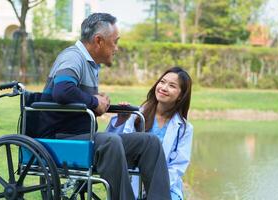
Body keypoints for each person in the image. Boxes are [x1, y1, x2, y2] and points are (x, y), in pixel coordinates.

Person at [39, 13, 171, 200]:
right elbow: (62, 90)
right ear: (98, 40)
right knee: (111, 142)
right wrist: (94, 101)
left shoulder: (90, 64)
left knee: (150, 143)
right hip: (60, 139)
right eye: (115, 42)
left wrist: (98, 101)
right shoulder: (73, 57)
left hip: (82, 138)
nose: (116, 48)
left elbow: (74, 96)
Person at [107, 67, 193, 200]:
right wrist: (120, 120)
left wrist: (156, 186)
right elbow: (117, 147)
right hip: (134, 185)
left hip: (167, 187)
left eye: (172, 86)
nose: (163, 88)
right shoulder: (137, 115)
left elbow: (178, 166)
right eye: (162, 82)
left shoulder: (185, 128)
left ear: (181, 95)